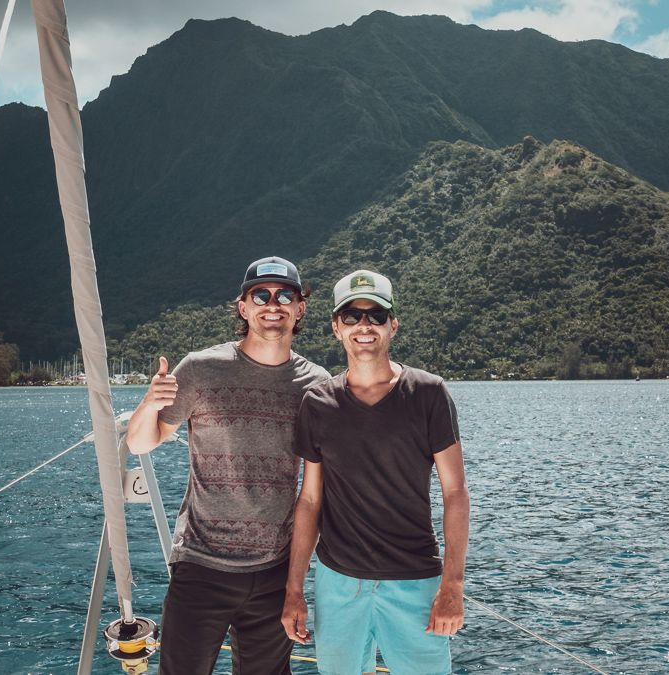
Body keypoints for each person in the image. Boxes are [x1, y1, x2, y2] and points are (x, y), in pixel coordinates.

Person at [126, 256, 330, 675]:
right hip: (201, 564)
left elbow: (316, 491)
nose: (272, 304)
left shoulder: (317, 385)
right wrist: (149, 403)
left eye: (284, 296)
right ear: (243, 307)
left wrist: (296, 581)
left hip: (274, 570)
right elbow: (141, 441)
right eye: (261, 294)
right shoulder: (201, 369)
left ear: (300, 308)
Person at [281, 270, 469, 675]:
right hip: (338, 583)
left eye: (376, 316)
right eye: (351, 316)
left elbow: (455, 492)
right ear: (336, 328)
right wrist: (294, 589)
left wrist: (452, 585)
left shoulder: (429, 393)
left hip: (415, 579)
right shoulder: (318, 402)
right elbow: (310, 499)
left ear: (392, 325)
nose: (364, 326)